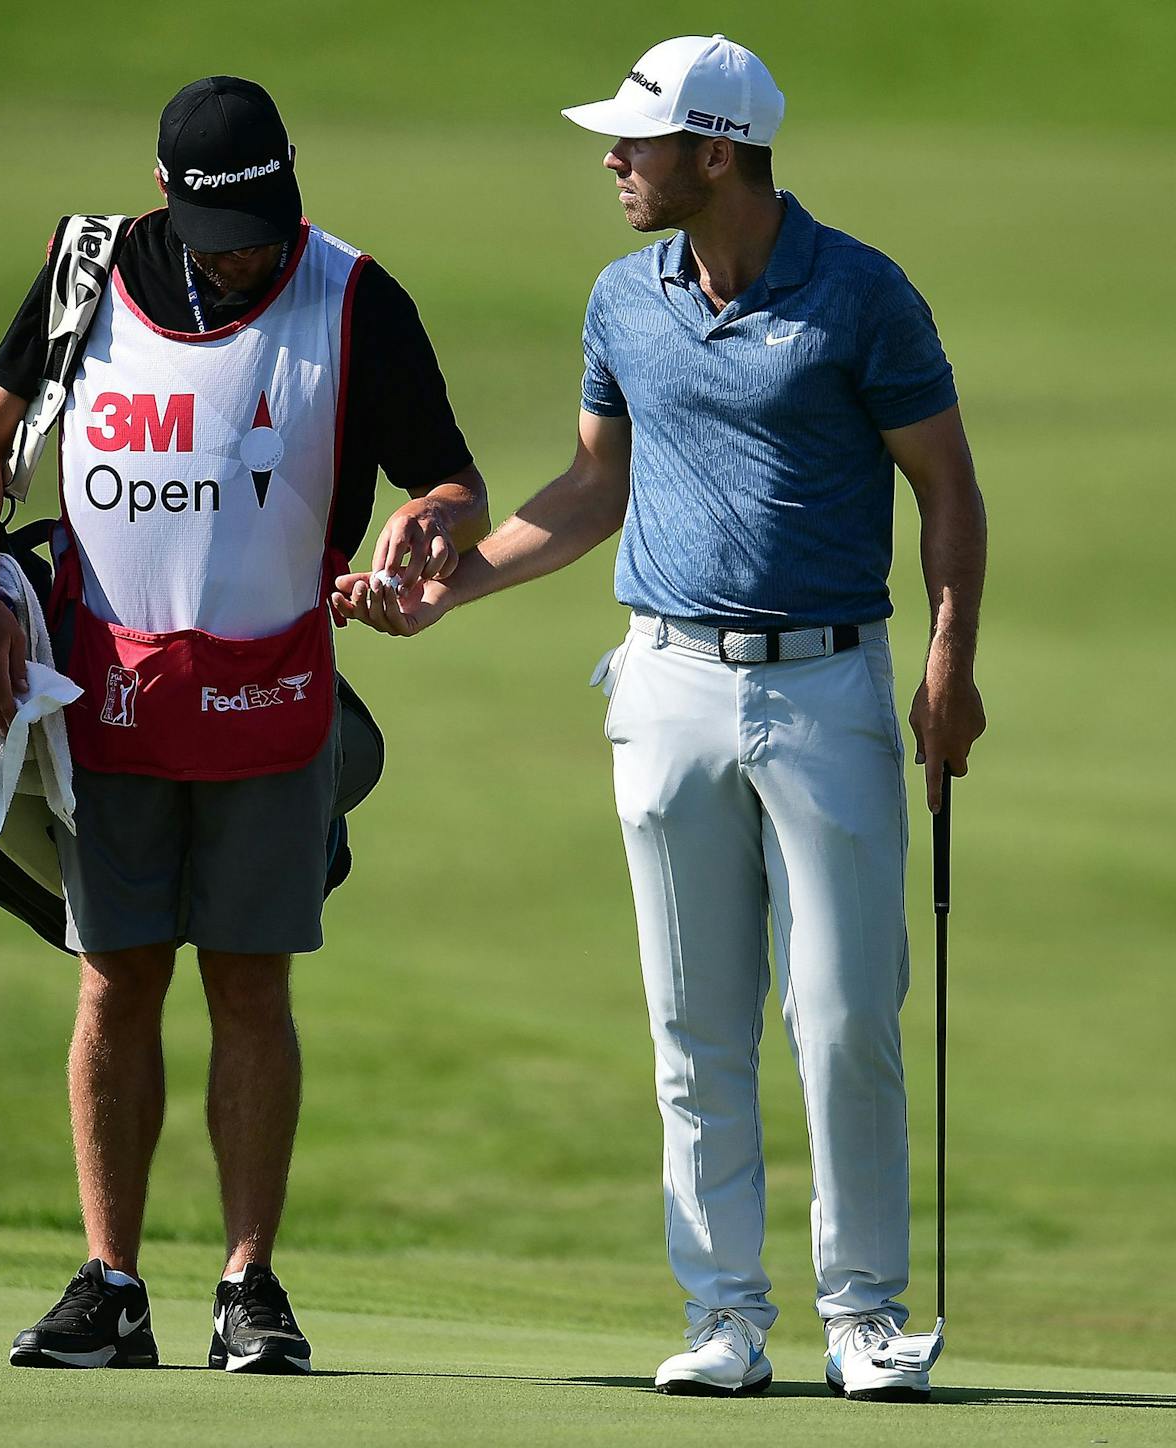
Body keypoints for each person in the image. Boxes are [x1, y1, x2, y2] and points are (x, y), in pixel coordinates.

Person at [335, 35, 985, 1403]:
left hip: (828, 684)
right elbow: (589, 493)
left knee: (848, 1013)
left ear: (718, 152)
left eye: (637, 141)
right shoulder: (624, 304)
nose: (612, 162)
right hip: (668, 682)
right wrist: (453, 593)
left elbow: (947, 493)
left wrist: (949, 660)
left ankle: (864, 1314)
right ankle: (725, 1317)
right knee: (693, 1025)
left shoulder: (862, 296)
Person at [0, 75, 488, 1373]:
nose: (247, 262)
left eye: (265, 228)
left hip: (272, 699)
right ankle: (111, 1283)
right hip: (103, 694)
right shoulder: (88, 272)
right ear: (168, 200)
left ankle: (249, 1286)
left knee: (250, 980)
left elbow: (448, 480)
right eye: (223, 236)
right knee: (117, 978)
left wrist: (427, 531)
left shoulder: (352, 295)